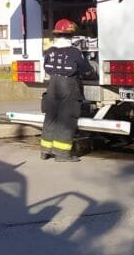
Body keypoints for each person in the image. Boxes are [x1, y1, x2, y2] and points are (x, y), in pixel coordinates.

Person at [40, 18, 95, 163]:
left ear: (56, 35)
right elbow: (85, 69)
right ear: (71, 36)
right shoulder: (74, 52)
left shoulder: (49, 51)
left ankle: (45, 151)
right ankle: (62, 154)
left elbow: (46, 66)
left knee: (51, 117)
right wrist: (91, 73)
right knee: (66, 119)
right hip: (68, 86)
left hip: (52, 85)